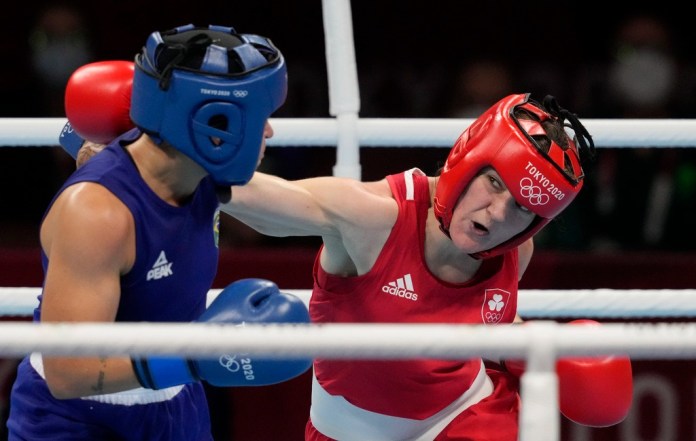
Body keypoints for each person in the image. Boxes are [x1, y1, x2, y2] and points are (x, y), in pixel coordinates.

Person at [53, 74, 634, 437]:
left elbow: (487, 319)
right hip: (347, 430)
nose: (497, 215)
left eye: (524, 209)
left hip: (462, 415)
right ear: (467, 157)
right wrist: (146, 151)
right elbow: (253, 195)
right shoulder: (373, 216)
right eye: (494, 185)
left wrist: (531, 347)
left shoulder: (517, 249)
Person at [6, 24, 312, 441]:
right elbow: (68, 373)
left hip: (174, 403)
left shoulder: (202, 174)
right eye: (262, 117)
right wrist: (195, 356)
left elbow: (317, 204)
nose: (270, 132)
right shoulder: (98, 215)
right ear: (213, 123)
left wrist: (412, 196)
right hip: (73, 418)